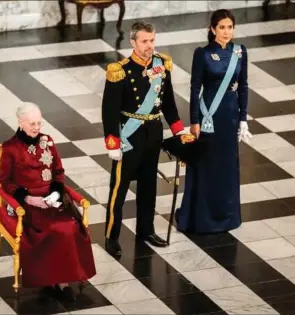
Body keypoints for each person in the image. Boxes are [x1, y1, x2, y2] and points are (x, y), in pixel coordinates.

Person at [101, 20, 190, 257]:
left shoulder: (162, 65)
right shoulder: (120, 70)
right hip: (129, 135)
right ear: (133, 42)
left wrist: (178, 129)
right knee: (119, 189)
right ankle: (112, 236)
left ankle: (146, 230)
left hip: (153, 132)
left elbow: (168, 101)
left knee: (149, 185)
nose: (149, 46)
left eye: (152, 40)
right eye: (144, 41)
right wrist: (113, 142)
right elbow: (109, 110)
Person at [0, 102, 96, 301]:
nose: (36, 128)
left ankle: (63, 279)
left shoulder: (48, 141)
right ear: (20, 122)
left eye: (39, 123)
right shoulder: (10, 148)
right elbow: (5, 182)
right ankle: (53, 280)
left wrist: (56, 193)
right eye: (32, 124)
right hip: (29, 204)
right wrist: (28, 199)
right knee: (54, 229)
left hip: (52, 199)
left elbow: (58, 172)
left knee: (70, 226)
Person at [175, 9, 252, 234]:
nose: (226, 32)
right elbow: (195, 88)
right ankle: (201, 217)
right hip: (208, 116)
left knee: (226, 166)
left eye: (229, 27)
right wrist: (194, 121)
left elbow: (244, 86)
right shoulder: (203, 53)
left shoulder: (240, 52)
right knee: (205, 165)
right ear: (212, 29)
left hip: (229, 117)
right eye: (221, 27)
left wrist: (243, 119)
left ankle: (226, 215)